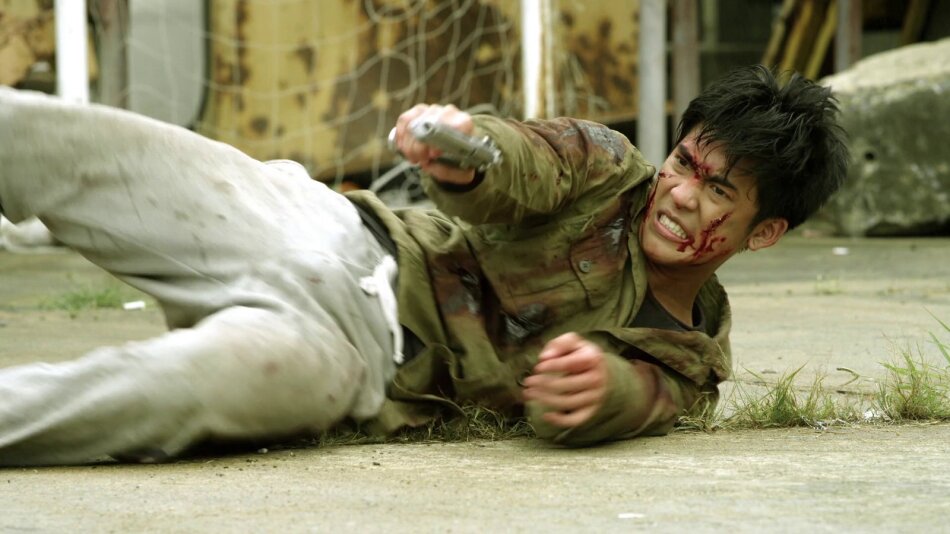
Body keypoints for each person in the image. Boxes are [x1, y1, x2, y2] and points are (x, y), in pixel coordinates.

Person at [0, 65, 848, 466]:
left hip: (352, 364)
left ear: (763, 232)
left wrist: (599, 392)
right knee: (56, 141)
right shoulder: (608, 167)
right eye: (685, 163)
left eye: (718, 191)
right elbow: (524, 160)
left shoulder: (688, 360)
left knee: (166, 391)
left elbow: (637, 400)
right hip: (326, 231)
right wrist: (467, 152)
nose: (681, 195)